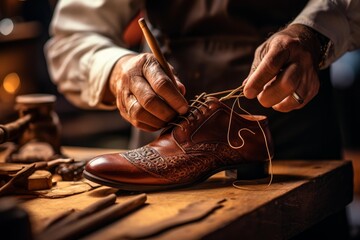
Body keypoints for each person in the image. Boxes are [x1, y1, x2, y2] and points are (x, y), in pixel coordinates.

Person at [45, 0, 360, 238]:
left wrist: (312, 34)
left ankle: (251, 145)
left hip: (295, 127)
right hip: (163, 128)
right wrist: (116, 71)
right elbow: (73, 36)